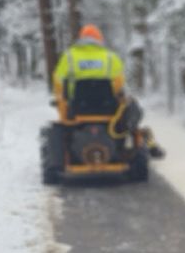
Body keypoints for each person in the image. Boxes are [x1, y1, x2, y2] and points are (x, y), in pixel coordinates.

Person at [52, 24, 164, 157]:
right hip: (107, 107)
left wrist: (61, 98)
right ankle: (130, 151)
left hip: (78, 107)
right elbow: (119, 82)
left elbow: (58, 80)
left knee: (59, 130)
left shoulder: (69, 56)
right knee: (129, 114)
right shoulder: (110, 57)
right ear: (99, 39)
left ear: (81, 39)